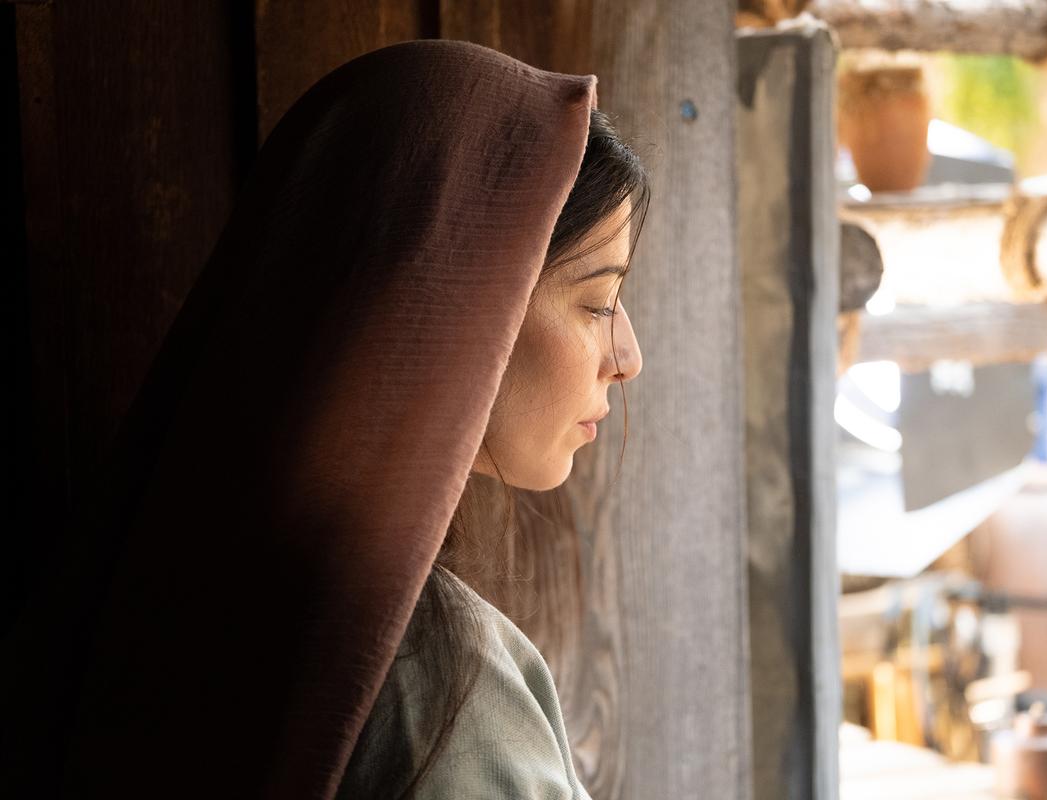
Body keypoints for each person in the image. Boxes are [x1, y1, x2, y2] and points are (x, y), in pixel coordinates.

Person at [0, 39, 647, 799]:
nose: (628, 355)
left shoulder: (149, 569)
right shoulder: (435, 683)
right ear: (453, 298)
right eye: (599, 301)